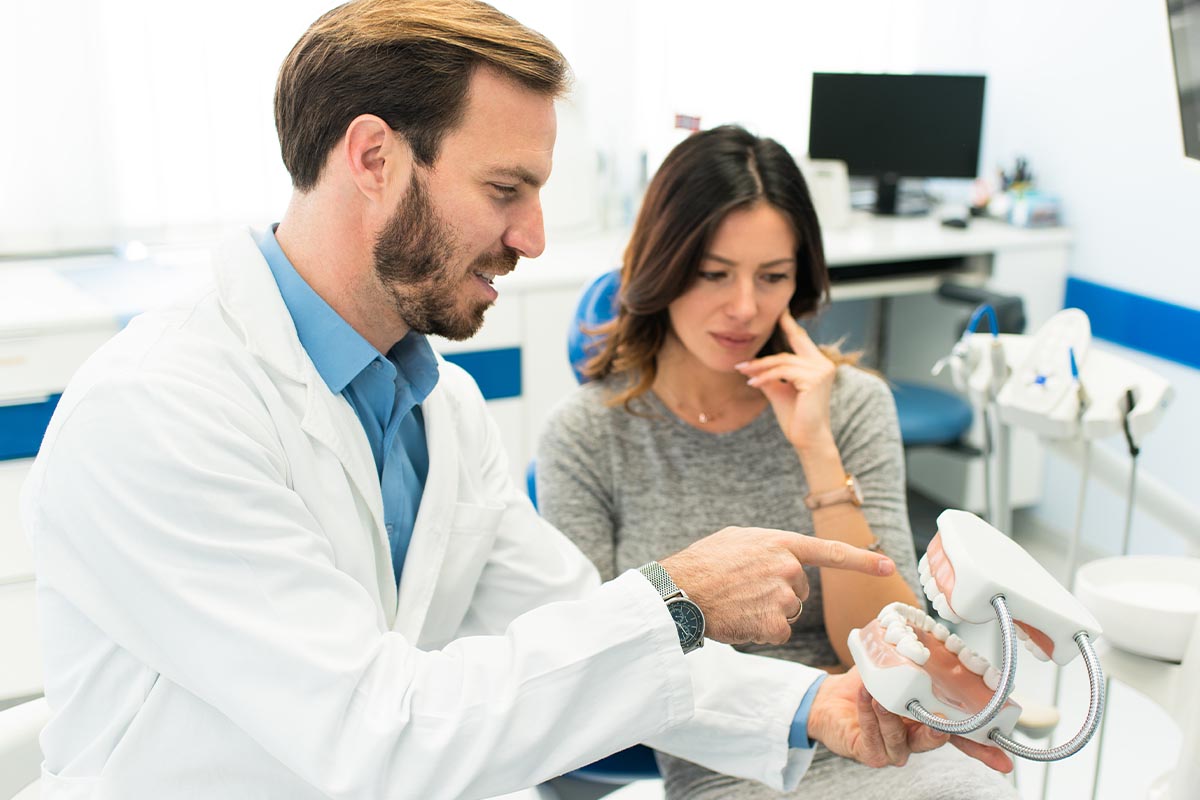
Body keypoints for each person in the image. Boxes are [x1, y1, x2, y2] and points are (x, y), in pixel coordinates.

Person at [22, 3, 1008, 799]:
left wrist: (810, 710)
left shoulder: (437, 409)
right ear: (374, 158)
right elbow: (382, 730)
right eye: (507, 189)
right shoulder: (164, 411)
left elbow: (583, 632)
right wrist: (679, 591)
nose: (535, 237)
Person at [536, 125, 1020, 799]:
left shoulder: (850, 406)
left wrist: (818, 454)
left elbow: (882, 643)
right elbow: (591, 664)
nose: (744, 308)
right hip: (721, 748)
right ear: (661, 266)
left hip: (880, 720)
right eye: (713, 273)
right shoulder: (588, 436)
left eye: (773, 278)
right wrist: (801, 705)